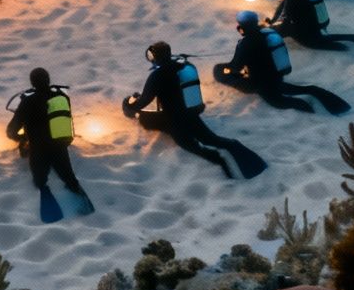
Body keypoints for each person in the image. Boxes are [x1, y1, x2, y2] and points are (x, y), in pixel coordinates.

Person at [121, 41, 262, 178]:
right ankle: (246, 158)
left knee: (193, 146)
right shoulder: (179, 66)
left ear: (156, 58)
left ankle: (223, 163)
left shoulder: (156, 76)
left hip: (174, 121)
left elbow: (144, 101)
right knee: (212, 139)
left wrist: (129, 105)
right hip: (191, 114)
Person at [6, 68, 85, 200]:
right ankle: (74, 189)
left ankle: (44, 189)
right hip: (60, 147)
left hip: (38, 150)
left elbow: (11, 131)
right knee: (69, 177)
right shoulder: (61, 98)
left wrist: (23, 139)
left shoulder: (27, 103)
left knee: (40, 181)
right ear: (48, 80)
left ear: (32, 83)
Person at [212, 11, 309, 110]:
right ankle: (308, 92)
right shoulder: (267, 33)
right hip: (277, 78)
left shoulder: (245, 44)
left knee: (218, 69)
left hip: (259, 84)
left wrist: (225, 68)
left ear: (241, 26)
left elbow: (236, 67)